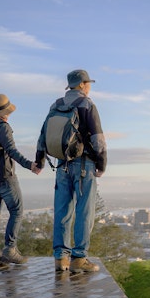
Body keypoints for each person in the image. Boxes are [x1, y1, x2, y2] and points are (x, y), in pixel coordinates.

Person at [35, 69, 107, 273]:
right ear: (83, 84)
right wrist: (101, 164)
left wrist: (39, 160)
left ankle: (60, 258)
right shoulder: (87, 104)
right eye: (88, 83)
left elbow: (43, 134)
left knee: (62, 211)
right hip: (84, 166)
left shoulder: (56, 105)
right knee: (84, 211)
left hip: (61, 165)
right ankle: (79, 258)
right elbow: (98, 140)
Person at [0, 94, 40, 266]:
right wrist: (30, 165)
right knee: (17, 210)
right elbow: (11, 150)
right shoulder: (3, 127)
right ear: (6, 111)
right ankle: (10, 250)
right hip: (5, 178)